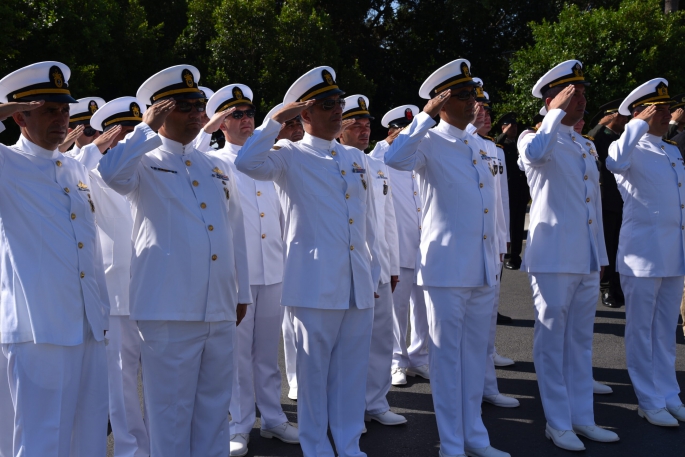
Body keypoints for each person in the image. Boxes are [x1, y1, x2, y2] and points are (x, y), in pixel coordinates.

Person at [99, 64, 252, 457]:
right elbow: (110, 174)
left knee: (214, 412)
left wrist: (242, 291)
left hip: (218, 305)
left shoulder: (216, 166)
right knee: (170, 414)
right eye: (183, 106)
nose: (196, 114)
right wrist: (144, 129)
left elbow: (234, 233)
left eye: (198, 105)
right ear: (161, 111)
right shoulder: (143, 160)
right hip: (168, 309)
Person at [236, 66, 380, 457]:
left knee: (351, 376)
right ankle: (317, 448)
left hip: (356, 283)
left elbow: (367, 224)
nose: (338, 111)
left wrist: (376, 273)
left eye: (340, 104)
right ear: (305, 114)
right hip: (314, 285)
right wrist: (273, 120)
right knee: (314, 378)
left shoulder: (354, 158)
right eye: (327, 105)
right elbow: (246, 163)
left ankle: (349, 445)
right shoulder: (287, 155)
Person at [385, 58, 509, 457]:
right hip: (446, 270)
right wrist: (423, 117)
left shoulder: (478, 144)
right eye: (464, 94)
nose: (474, 100)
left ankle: (475, 435)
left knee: (475, 359)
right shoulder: (427, 142)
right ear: (442, 101)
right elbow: (394, 159)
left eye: (474, 93)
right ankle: (451, 443)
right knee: (447, 361)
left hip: (482, 267)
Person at [0, 61, 110, 456]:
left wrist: (102, 312)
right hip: (39, 329)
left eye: (64, 109)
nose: (62, 118)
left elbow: (88, 249)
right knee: (41, 439)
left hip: (86, 325)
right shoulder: (7, 165)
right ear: (19, 116)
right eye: (49, 109)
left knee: (91, 435)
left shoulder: (72, 167)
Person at [519, 60, 618, 451]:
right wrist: (554, 112)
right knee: (551, 342)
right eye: (573, 94)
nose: (582, 101)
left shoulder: (584, 143)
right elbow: (538, 154)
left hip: (586, 258)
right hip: (554, 257)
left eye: (581, 94)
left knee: (580, 343)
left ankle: (583, 418)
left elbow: (591, 206)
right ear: (552, 98)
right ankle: (557, 423)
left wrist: (600, 255)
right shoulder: (533, 137)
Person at [203, 84, 298, 456]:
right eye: (236, 115)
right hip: (237, 275)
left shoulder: (270, 157)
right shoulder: (213, 160)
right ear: (221, 123)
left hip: (273, 266)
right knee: (238, 356)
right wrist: (208, 127)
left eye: (249, 114)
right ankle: (239, 425)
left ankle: (273, 418)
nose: (246, 120)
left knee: (265, 353)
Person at [606, 78, 685, 427]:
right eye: (660, 108)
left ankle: (669, 393)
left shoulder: (672, 150)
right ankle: (648, 399)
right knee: (641, 330)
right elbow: (614, 162)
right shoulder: (627, 148)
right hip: (643, 255)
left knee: (666, 332)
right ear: (640, 112)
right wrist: (635, 124)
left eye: (668, 107)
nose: (667, 113)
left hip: (673, 253)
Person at [84, 96, 152, 457]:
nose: (128, 138)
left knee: (161, 379)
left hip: (157, 287)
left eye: (136, 128)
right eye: (122, 130)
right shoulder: (91, 172)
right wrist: (94, 148)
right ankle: (131, 449)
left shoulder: (153, 166)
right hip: (119, 290)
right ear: (107, 134)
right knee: (123, 382)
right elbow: (70, 165)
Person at [340, 95, 406, 427]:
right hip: (350, 270)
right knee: (350, 348)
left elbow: (388, 221)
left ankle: (377, 402)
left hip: (379, 267)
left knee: (381, 340)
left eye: (367, 125)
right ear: (341, 129)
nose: (364, 131)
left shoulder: (379, 166)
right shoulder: (333, 161)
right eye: (356, 125)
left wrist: (392, 266)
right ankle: (350, 411)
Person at [370, 104, 430, 387]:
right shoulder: (381, 156)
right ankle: (397, 362)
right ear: (393, 133)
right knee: (398, 310)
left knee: (424, 307)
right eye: (404, 131)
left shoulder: (418, 154)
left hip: (425, 244)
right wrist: (388, 142)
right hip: (401, 246)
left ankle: (420, 357)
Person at [468, 85, 519, 409]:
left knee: (486, 321)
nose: (486, 114)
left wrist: (505, 238)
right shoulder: (453, 144)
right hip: (463, 247)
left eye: (488, 109)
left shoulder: (493, 149)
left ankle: (487, 384)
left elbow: (500, 200)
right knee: (464, 332)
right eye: (480, 108)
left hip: (491, 244)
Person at [588, 99, 629, 309]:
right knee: (607, 246)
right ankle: (606, 290)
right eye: (622, 116)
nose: (626, 120)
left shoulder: (621, 138)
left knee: (619, 247)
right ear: (613, 116)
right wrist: (601, 124)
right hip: (604, 199)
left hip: (622, 198)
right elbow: (589, 139)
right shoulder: (598, 137)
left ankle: (617, 287)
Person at [497, 112, 529, 271]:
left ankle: (516, 255)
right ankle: (507, 255)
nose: (514, 128)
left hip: (521, 190)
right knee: (508, 224)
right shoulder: (500, 145)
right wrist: (503, 134)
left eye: (516, 126)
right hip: (507, 191)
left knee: (518, 225)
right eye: (510, 126)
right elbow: (496, 142)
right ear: (503, 127)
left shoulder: (519, 144)